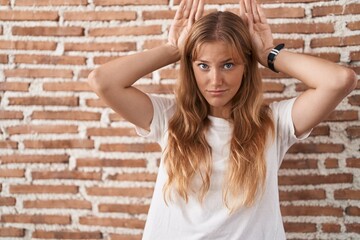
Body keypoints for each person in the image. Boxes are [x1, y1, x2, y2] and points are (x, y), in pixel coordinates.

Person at [87, 0, 357, 239]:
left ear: (245, 67)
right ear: (191, 68)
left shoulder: (275, 123)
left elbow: (339, 80)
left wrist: (268, 54)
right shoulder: (168, 119)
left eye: (229, 64)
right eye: (203, 65)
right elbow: (102, 81)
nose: (215, 80)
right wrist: (172, 49)